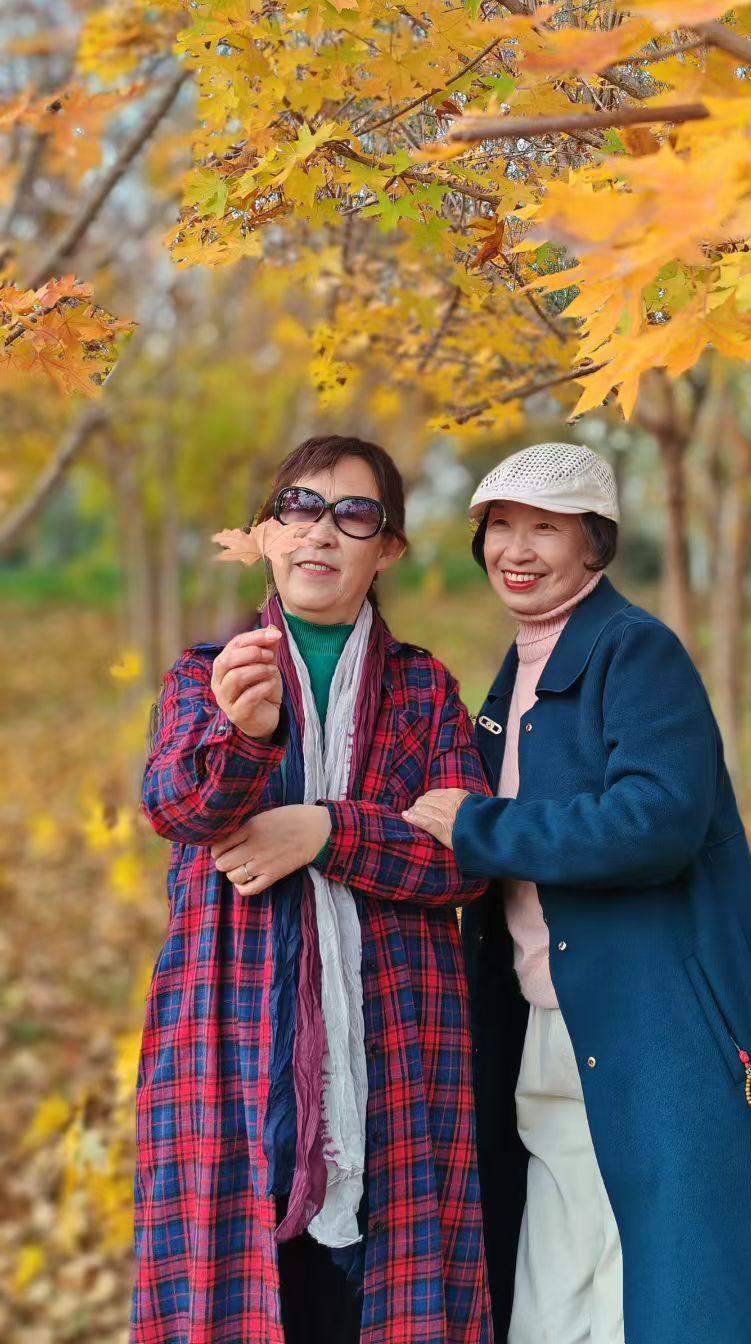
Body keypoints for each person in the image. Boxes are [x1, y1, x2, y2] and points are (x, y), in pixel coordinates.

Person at [404, 440, 751, 1344]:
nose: (515, 550)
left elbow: (656, 819)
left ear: (595, 544)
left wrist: (482, 828)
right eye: (500, 527)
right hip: (544, 1023)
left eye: (545, 529)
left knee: (660, 1289)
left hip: (649, 1032)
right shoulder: (520, 668)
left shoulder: (635, 652)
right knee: (555, 1290)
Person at [133, 434, 493, 1344]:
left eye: (354, 514)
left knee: (378, 1303)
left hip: (396, 1047)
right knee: (242, 1300)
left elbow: (466, 859)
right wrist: (246, 737)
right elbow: (176, 807)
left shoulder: (423, 691)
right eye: (297, 507)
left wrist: (328, 832)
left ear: (388, 548)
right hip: (233, 1042)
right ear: (266, 534)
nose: (320, 531)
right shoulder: (209, 673)